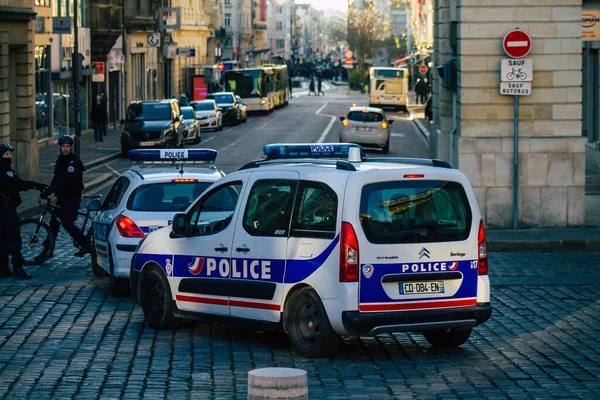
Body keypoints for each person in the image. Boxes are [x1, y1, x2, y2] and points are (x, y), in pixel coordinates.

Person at [0, 143, 48, 279]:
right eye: (6, 154)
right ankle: (17, 268)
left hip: (4, 210)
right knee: (14, 239)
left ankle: (3, 269)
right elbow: (17, 184)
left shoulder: (6, 169)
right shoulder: (5, 171)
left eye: (9, 154)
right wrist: (35, 185)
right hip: (7, 210)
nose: (9, 157)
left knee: (2, 239)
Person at [40, 135, 89, 258]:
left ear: (71, 147)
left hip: (72, 197)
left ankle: (86, 245)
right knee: (53, 223)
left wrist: (50, 190)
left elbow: (63, 180)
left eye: (67, 146)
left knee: (67, 223)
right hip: (62, 197)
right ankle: (47, 249)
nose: (65, 149)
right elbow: (56, 178)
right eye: (63, 146)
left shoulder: (74, 162)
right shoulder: (61, 160)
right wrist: (47, 191)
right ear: (60, 147)